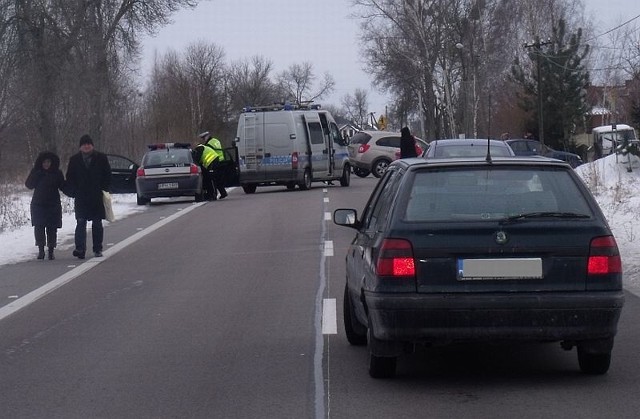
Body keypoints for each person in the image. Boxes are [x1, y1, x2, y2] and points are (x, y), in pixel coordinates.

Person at [65, 134, 111, 259]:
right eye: (84, 144)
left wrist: (104, 189)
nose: (86, 146)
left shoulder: (101, 158)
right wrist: (73, 191)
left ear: (92, 145)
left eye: (88, 144)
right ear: (80, 147)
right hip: (81, 196)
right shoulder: (74, 160)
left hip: (96, 195)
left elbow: (107, 174)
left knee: (97, 223)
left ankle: (97, 248)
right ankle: (80, 248)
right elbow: (69, 177)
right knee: (80, 222)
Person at [25, 151, 65, 260]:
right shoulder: (36, 172)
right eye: (44, 162)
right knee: (39, 227)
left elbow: (63, 186)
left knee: (52, 228)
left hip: (53, 204)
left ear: (52, 163)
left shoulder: (57, 173)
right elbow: (29, 185)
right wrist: (37, 174)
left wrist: (74, 190)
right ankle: (41, 250)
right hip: (38, 204)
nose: (46, 164)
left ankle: (51, 250)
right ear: (40, 163)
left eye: (48, 162)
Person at [195, 131, 228, 199]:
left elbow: (200, 156)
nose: (203, 140)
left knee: (212, 179)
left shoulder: (207, 144)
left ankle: (213, 195)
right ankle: (223, 193)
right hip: (221, 160)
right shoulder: (216, 140)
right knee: (217, 179)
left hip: (213, 162)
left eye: (203, 138)